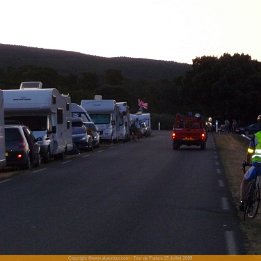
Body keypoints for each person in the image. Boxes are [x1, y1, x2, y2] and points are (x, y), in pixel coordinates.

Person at [239, 115, 261, 211]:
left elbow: (250, 152)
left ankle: (242, 202)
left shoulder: (256, 136)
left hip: (258, 165)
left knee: (245, 180)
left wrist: (247, 162)